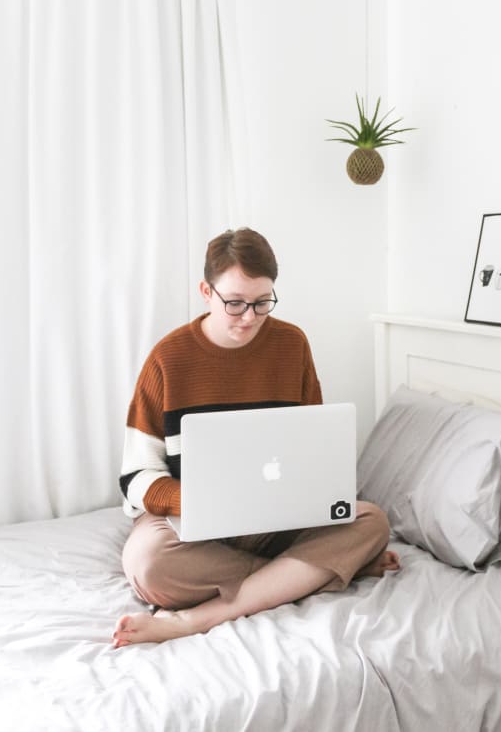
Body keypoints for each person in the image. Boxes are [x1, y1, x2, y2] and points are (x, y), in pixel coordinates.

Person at [113, 228, 399, 647]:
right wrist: (192, 500)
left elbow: (314, 445)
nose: (249, 316)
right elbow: (136, 476)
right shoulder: (168, 358)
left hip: (274, 516)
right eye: (234, 303)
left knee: (371, 520)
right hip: (193, 524)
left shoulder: (292, 344)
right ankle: (309, 572)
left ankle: (199, 618)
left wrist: (307, 492)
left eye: (262, 302)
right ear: (205, 292)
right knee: (148, 564)